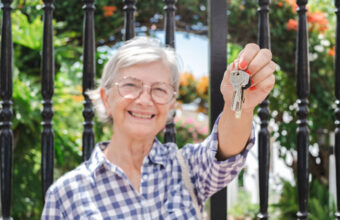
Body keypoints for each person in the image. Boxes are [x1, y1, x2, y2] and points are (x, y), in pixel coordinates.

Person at [41, 36, 276, 219]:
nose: (145, 100)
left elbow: (227, 150)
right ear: (106, 98)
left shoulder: (185, 168)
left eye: (159, 89)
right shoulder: (65, 195)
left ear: (171, 105)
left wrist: (241, 107)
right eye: (131, 85)